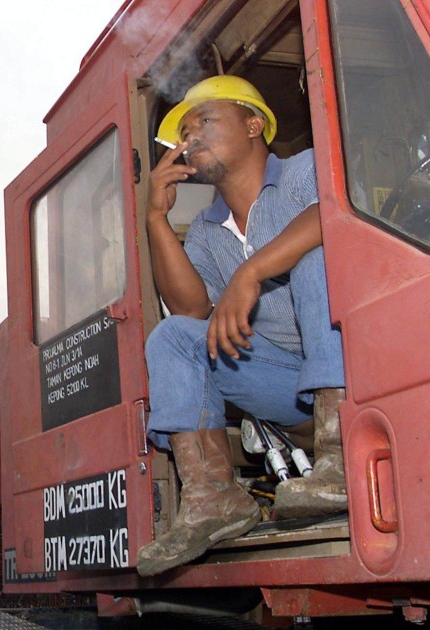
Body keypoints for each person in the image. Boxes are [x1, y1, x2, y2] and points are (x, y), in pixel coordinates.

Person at [137, 75, 346, 578]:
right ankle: (213, 500)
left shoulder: (304, 169)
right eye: (184, 130)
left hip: (359, 372)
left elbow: (332, 214)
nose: (190, 137)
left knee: (313, 259)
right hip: (287, 389)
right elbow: (189, 310)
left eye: (205, 120)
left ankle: (341, 460)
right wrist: (157, 220)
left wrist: (251, 272)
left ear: (254, 125)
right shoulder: (208, 231)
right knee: (173, 338)